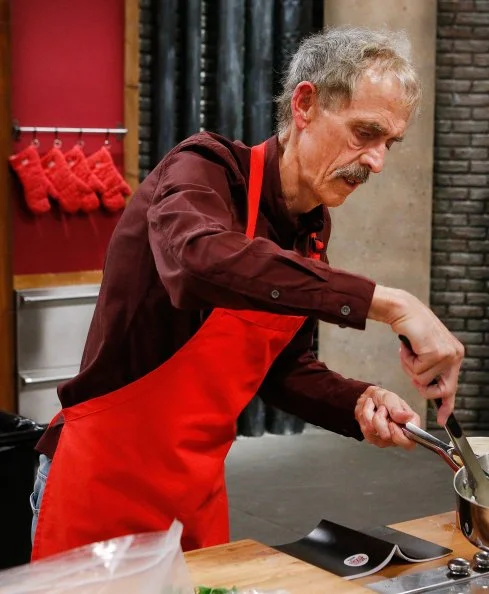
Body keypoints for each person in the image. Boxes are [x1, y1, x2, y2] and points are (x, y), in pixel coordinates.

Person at [30, 27, 464, 559]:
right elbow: (196, 262)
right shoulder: (204, 171)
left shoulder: (309, 231)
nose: (376, 162)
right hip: (100, 486)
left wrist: (357, 402)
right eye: (364, 133)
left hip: (196, 497)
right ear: (305, 104)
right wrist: (389, 302)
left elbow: (282, 369)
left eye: (388, 144)